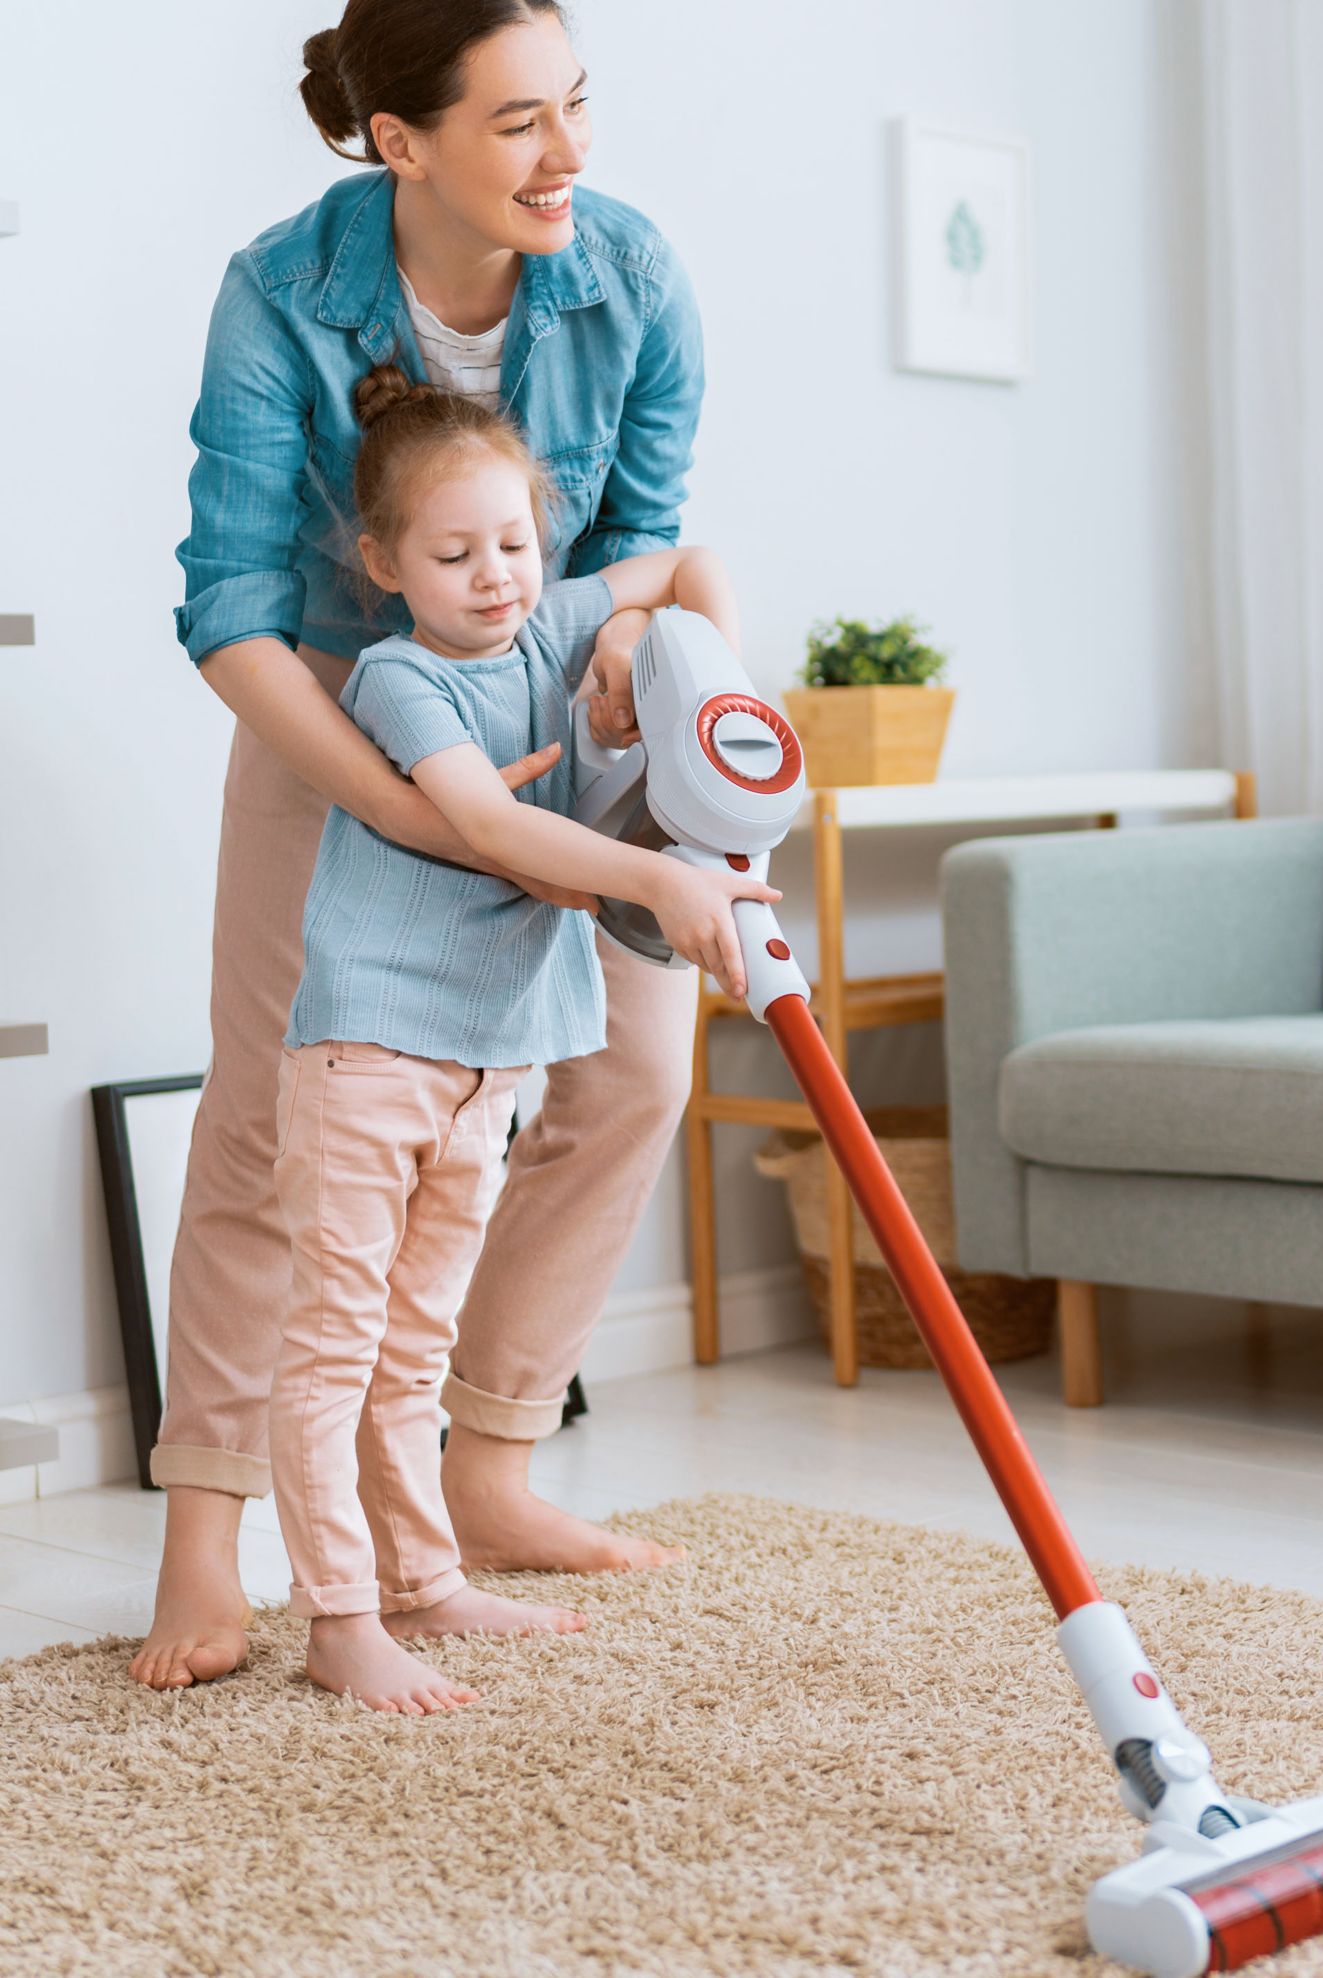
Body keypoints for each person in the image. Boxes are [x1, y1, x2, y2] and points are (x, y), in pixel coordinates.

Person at [136, 0, 711, 1691]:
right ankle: (201, 1536)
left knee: (631, 1070)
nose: (571, 155)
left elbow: (649, 525)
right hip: (334, 699)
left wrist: (617, 653)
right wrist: (398, 799)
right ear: (405, 143)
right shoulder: (282, 293)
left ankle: (487, 1470)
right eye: (520, 122)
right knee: (270, 1116)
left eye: (578, 106)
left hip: (551, 690)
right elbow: (229, 601)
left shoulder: (634, 276)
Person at [266, 361, 770, 1712]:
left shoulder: (549, 632)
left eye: (516, 544)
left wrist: (638, 643)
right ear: (383, 561)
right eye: (454, 551)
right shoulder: (396, 680)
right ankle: (338, 1613)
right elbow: (488, 827)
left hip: (488, 1059)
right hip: (373, 1052)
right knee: (335, 1346)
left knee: (417, 1342)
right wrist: (661, 879)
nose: (495, 575)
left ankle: (424, 1580)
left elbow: (697, 564)